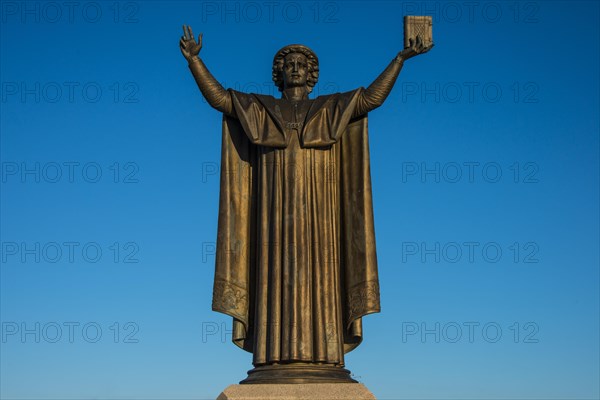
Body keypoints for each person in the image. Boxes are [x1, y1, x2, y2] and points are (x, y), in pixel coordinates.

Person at [180, 26, 432, 384]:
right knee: (272, 273)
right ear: (279, 74)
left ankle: (323, 357)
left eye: (302, 63)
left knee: (323, 275)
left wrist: (400, 60)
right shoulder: (260, 109)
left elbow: (370, 100)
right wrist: (194, 61)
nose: (295, 67)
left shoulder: (329, 108)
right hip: (272, 211)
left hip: (321, 211)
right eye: (289, 63)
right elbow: (220, 99)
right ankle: (273, 357)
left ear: (312, 74)